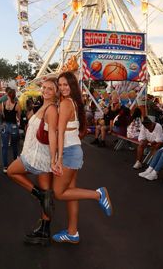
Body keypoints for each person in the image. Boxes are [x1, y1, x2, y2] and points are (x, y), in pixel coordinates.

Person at [51, 71, 113, 244]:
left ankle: (98, 195)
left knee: (59, 192)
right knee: (71, 193)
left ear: (72, 86)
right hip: (73, 149)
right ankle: (72, 233)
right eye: (60, 84)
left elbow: (61, 132)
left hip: (68, 152)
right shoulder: (72, 102)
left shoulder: (65, 104)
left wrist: (58, 159)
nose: (63, 88)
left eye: (66, 85)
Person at [7, 77, 58, 245]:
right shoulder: (43, 105)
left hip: (38, 156)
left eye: (50, 88)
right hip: (37, 153)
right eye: (44, 87)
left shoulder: (51, 109)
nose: (46, 90)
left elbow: (53, 134)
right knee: (47, 196)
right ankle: (44, 230)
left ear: (56, 92)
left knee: (12, 171)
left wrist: (54, 159)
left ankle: (38, 194)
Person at [0, 88, 21, 173]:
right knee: (15, 145)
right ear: (14, 96)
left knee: (4, 146)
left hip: (4, 125)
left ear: (7, 95)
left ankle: (5, 166)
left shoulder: (2, 104)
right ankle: (15, 164)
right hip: (13, 126)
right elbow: (18, 117)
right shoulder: (17, 105)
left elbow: (2, 115)